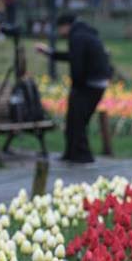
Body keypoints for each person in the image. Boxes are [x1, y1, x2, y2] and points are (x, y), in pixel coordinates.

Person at [35, 13, 111, 163]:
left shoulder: (77, 37)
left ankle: (82, 155)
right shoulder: (84, 33)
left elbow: (77, 64)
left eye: (59, 28)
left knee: (77, 120)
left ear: (65, 26)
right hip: (97, 82)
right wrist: (50, 52)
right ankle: (72, 154)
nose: (59, 32)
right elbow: (72, 56)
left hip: (88, 84)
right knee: (75, 119)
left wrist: (76, 87)